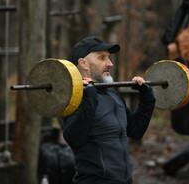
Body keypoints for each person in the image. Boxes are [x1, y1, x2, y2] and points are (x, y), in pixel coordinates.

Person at [61, 37, 156, 184]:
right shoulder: (72, 98)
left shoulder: (113, 95)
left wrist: (147, 98)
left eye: (109, 58)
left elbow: (135, 131)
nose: (110, 64)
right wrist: (89, 99)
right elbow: (74, 138)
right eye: (102, 58)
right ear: (83, 63)